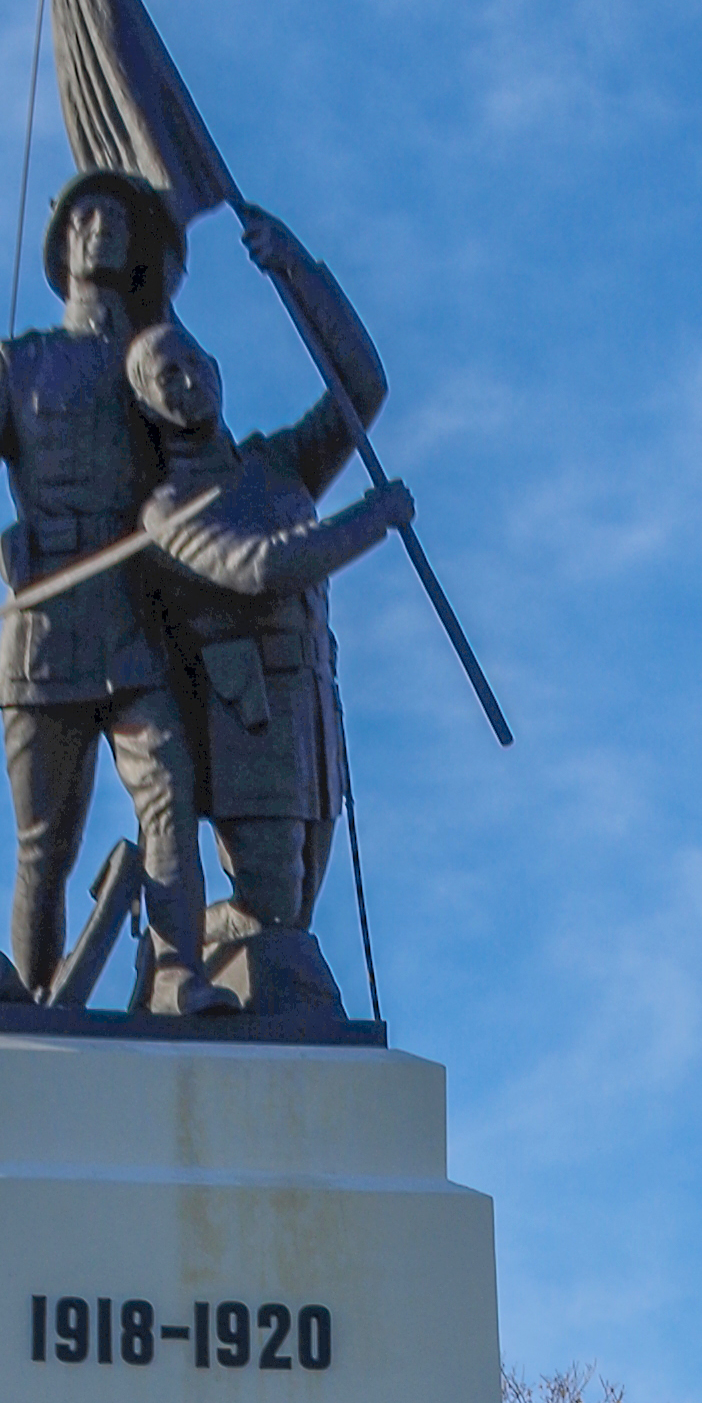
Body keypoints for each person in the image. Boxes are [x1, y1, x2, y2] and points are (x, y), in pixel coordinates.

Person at [0, 170, 221, 1012]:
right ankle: (36, 1000)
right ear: (62, 245)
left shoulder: (161, 364)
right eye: (85, 217)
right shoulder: (18, 363)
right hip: (43, 622)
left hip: (134, 612)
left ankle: (180, 970)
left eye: (117, 217)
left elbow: (214, 464)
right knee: (45, 845)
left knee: (169, 791)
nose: (101, 228)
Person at [125, 311, 410, 950]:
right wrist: (370, 519)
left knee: (296, 909)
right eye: (168, 375)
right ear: (146, 404)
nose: (190, 380)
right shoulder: (167, 508)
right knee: (273, 912)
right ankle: (172, 945)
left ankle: (195, 953)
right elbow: (261, 567)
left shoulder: (279, 463)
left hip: (313, 705)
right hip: (245, 712)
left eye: (196, 363)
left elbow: (362, 389)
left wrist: (296, 267)